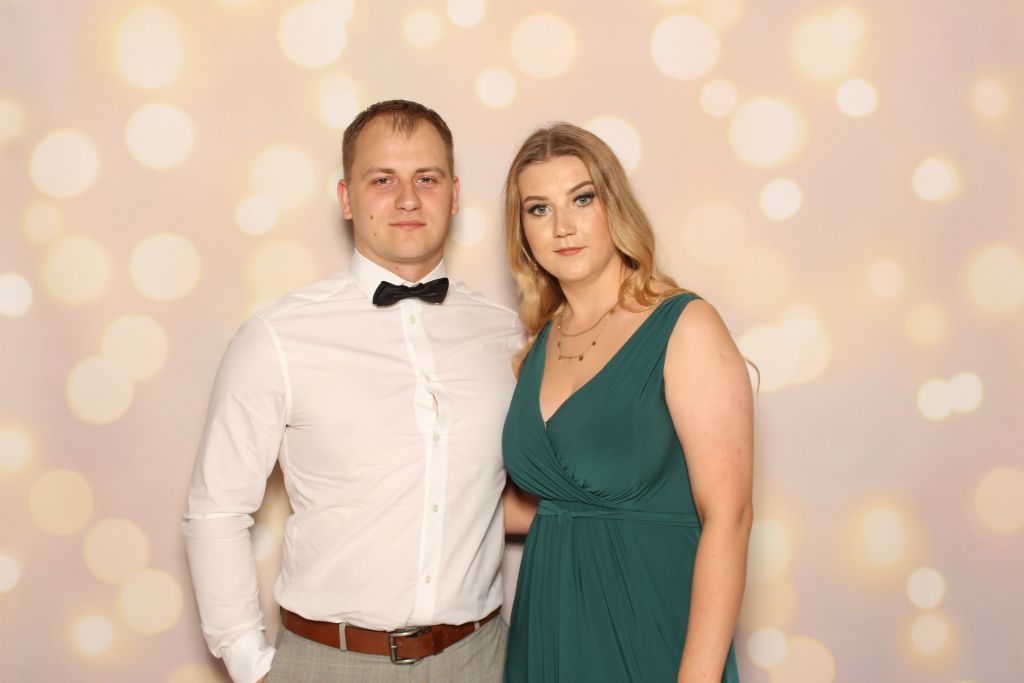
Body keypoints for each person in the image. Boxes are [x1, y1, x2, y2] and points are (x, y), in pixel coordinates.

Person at [183, 100, 523, 683]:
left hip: (483, 658)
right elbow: (216, 509)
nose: (408, 199)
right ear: (346, 198)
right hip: (328, 662)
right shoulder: (276, 337)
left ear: (455, 194)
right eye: (382, 180)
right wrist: (249, 663)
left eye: (427, 178)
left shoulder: (507, 335)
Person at [500, 123, 754, 682]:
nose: (562, 227)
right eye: (539, 209)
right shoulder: (541, 342)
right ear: (522, 232)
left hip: (650, 626)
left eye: (581, 199)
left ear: (613, 205)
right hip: (549, 628)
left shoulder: (684, 326)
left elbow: (729, 518)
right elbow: (547, 504)